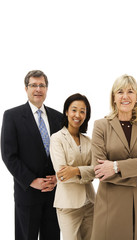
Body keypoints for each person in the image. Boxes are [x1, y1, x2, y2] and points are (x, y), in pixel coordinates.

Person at [90, 74, 137, 240]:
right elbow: (99, 170)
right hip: (111, 204)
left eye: (130, 91)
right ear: (113, 97)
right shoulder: (101, 126)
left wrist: (116, 167)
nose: (125, 96)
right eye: (120, 92)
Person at [1, 70, 62, 240]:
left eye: (42, 85)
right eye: (33, 85)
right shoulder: (12, 116)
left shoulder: (58, 117)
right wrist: (31, 181)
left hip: (53, 192)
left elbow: (65, 152)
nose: (38, 89)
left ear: (47, 89)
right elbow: (9, 155)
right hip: (27, 192)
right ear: (26, 89)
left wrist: (58, 177)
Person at [50, 93, 95, 240]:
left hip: (90, 204)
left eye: (82, 111)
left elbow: (96, 171)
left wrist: (75, 170)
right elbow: (62, 175)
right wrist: (85, 173)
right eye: (74, 110)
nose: (78, 115)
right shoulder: (57, 138)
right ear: (66, 112)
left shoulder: (89, 141)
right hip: (68, 205)